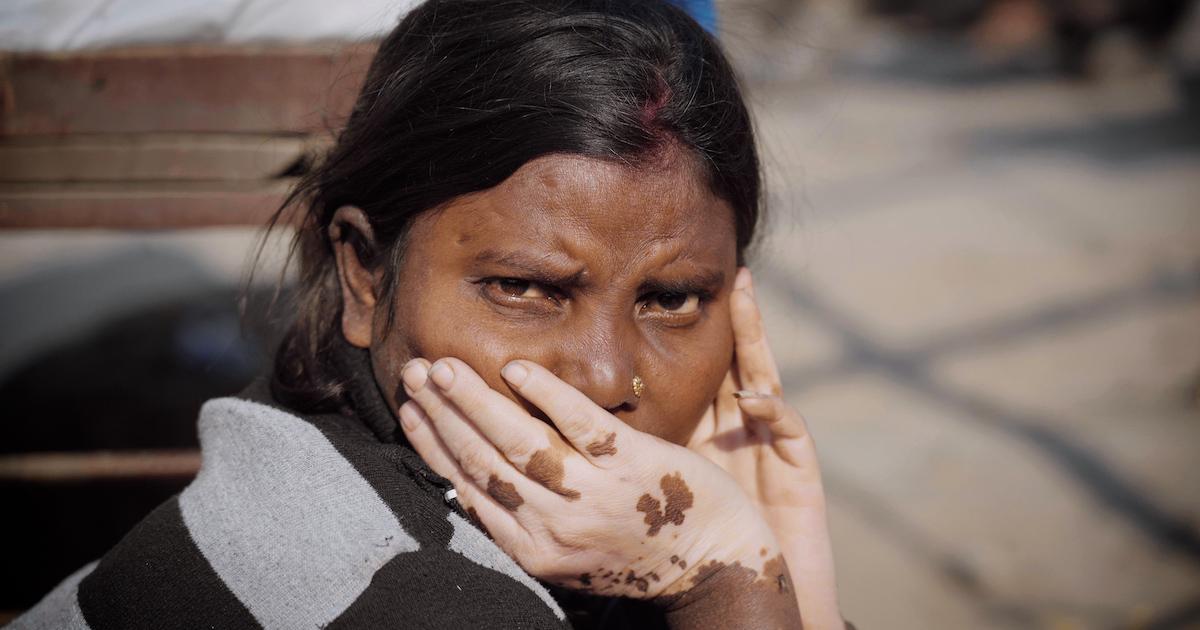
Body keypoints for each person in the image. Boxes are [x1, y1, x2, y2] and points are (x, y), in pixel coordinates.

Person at [12, 1, 847, 628]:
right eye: (522, 289)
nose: (602, 378)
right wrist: (728, 576)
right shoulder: (400, 588)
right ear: (367, 273)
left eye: (671, 300)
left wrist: (787, 569)